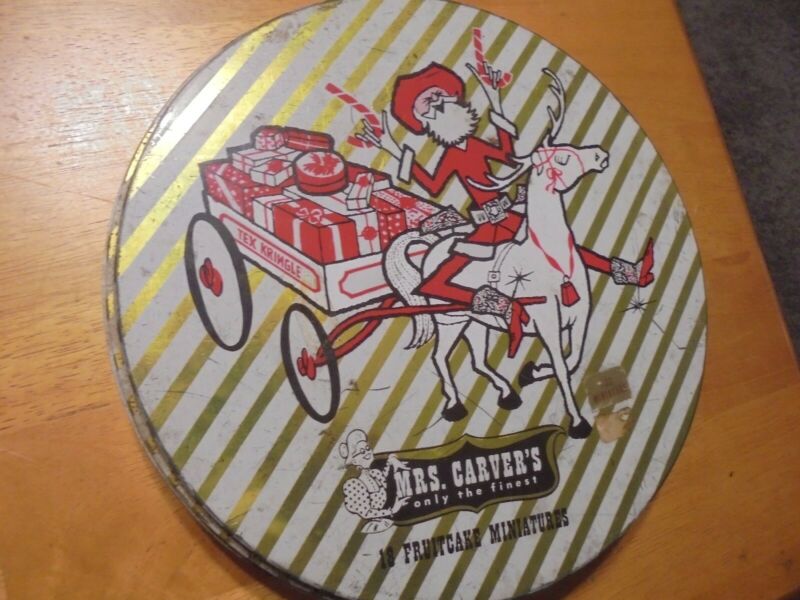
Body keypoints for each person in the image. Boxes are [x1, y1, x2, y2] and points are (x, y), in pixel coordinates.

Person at [359, 62, 653, 358]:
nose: (438, 104)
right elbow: (433, 186)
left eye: (439, 95)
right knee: (434, 283)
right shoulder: (450, 157)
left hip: (510, 216)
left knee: (563, 248)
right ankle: (498, 304)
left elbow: (508, 156)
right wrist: (394, 150)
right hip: (486, 225)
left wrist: (495, 100)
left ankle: (626, 272)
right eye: (428, 103)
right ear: (423, 121)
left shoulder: (476, 145)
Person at [339, 429, 409, 534]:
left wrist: (390, 461)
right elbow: (366, 513)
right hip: (374, 527)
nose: (367, 452)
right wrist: (392, 510)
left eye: (367, 448)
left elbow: (385, 477)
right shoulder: (354, 485)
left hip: (387, 522)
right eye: (362, 451)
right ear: (354, 460)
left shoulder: (375, 473)